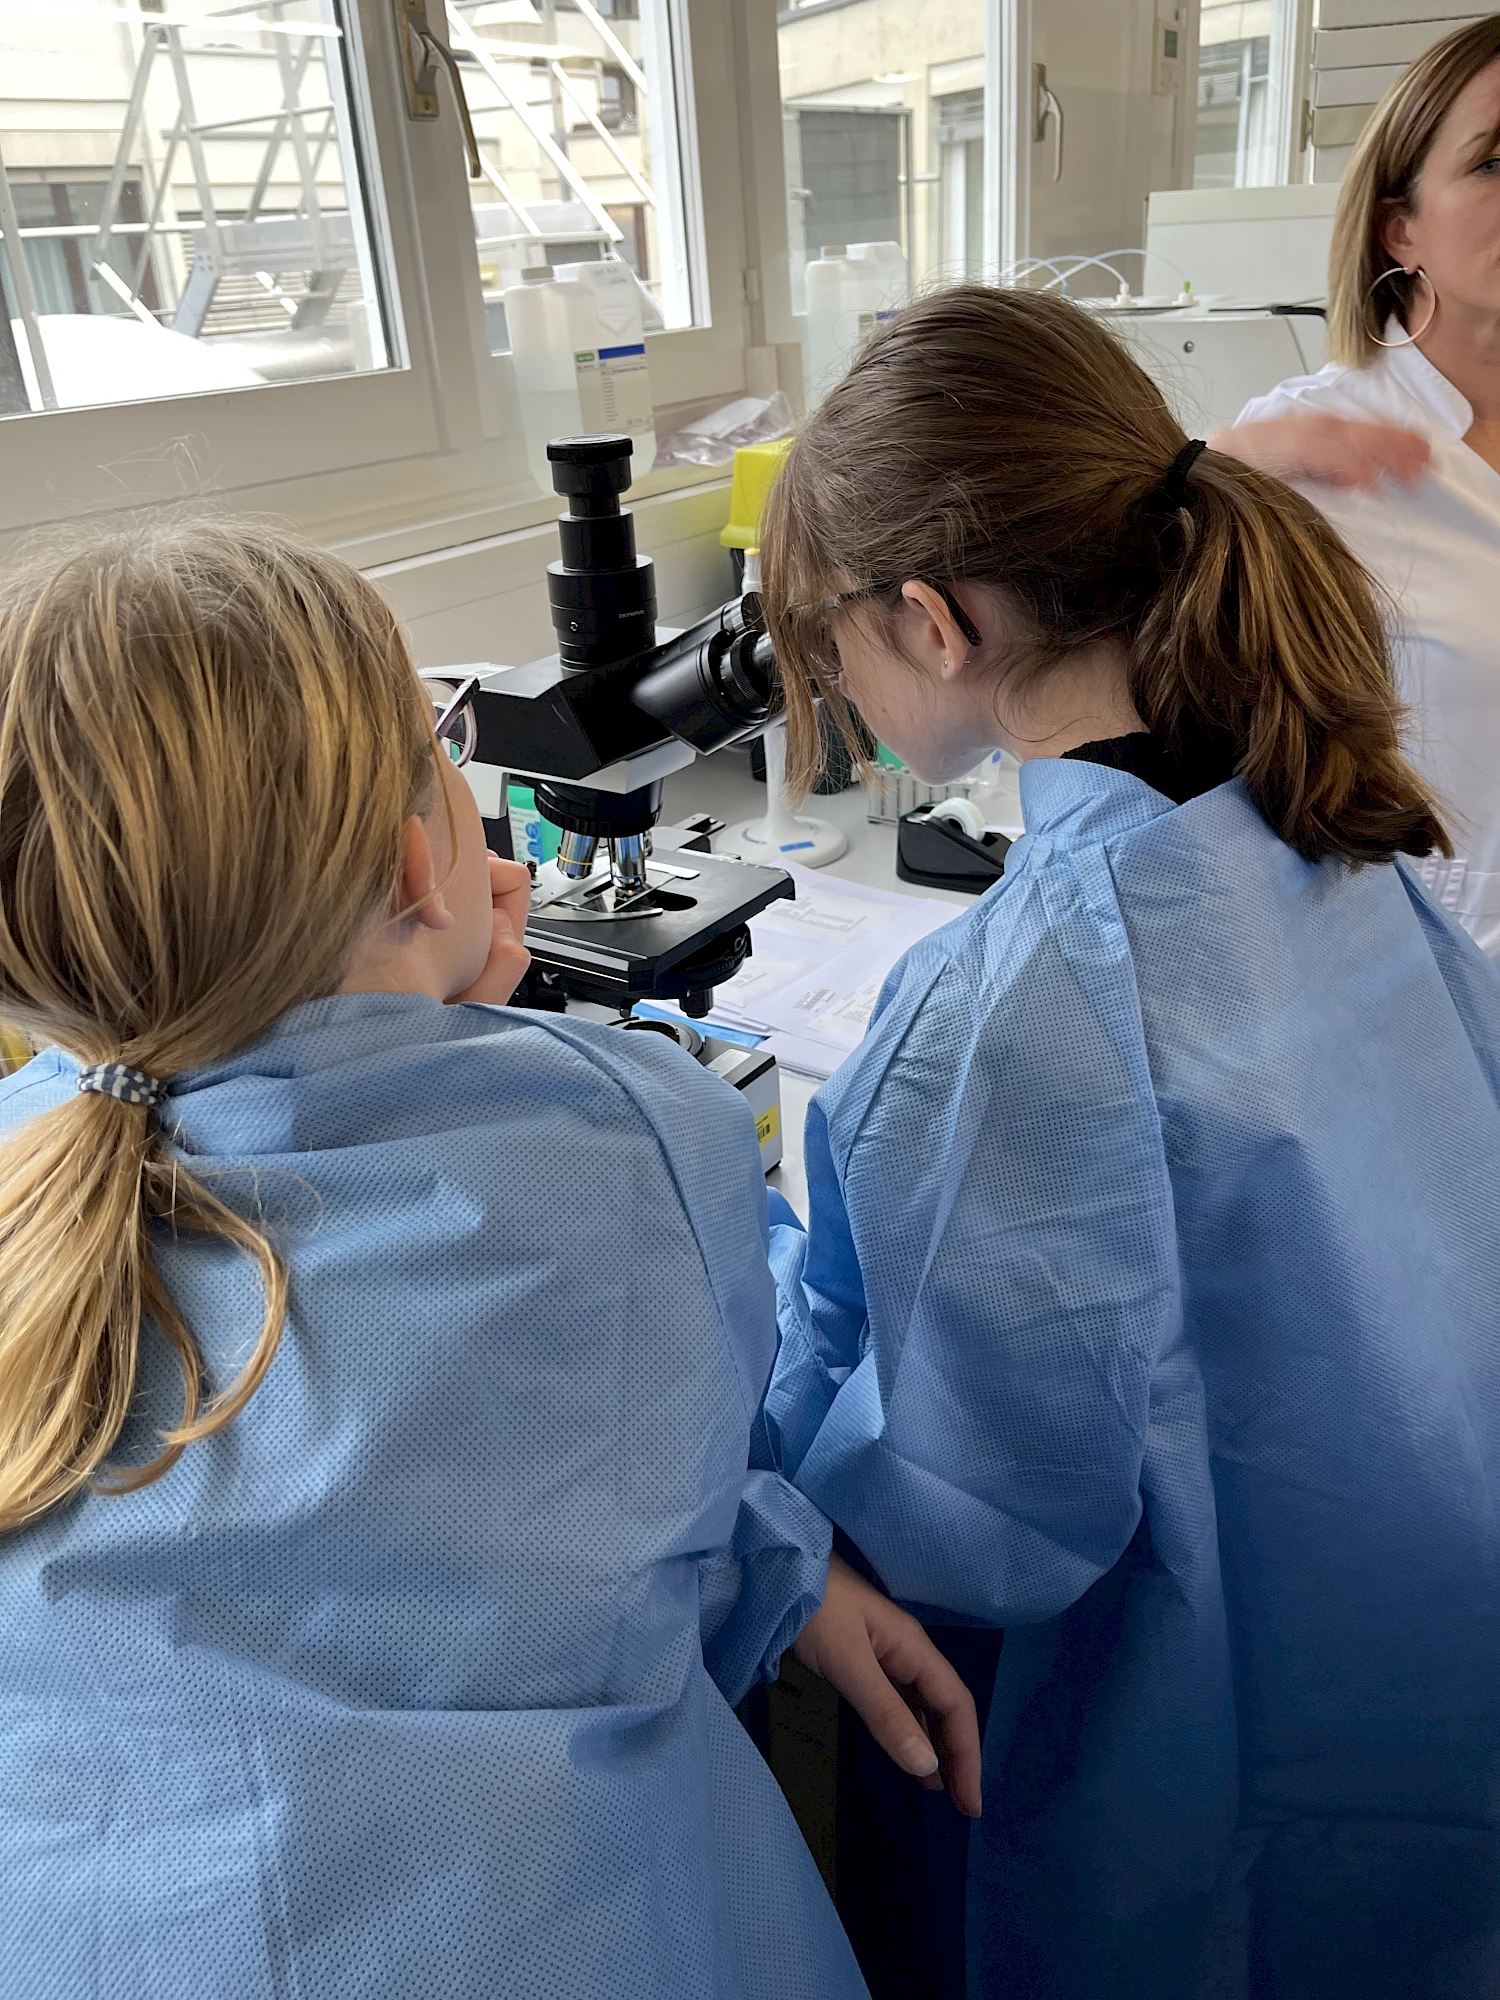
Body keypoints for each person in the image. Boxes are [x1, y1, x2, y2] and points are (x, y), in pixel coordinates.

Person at [0, 520, 980, 1999]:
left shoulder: (40, 1163)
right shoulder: (633, 1138)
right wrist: (510, 1046)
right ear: (419, 858)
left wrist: (422, 1008)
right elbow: (680, 1455)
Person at [758, 284, 1500, 1999]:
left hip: (1202, 1767)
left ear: (931, 622)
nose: (833, 684)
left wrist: (745, 1270)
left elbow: (972, 1516)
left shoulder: (1017, 1000)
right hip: (1429, 1669)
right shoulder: (1326, 821)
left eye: (829, 640)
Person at [1212, 15, 1500, 958]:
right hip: (1424, 983)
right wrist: (1215, 464)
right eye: (1495, 162)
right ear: (1399, 228)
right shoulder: (1305, 450)